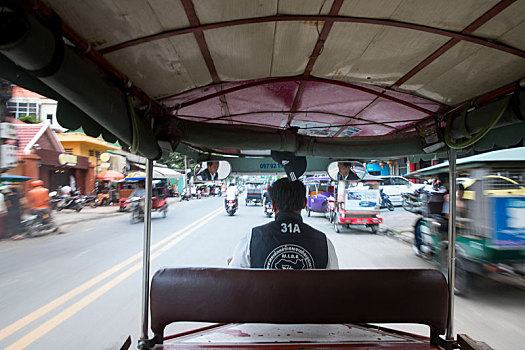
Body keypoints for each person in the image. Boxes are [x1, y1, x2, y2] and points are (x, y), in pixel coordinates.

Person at [229, 178, 339, 269]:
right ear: (304, 204)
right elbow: (334, 282)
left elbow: (234, 276)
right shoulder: (323, 242)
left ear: (273, 205)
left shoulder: (253, 237)